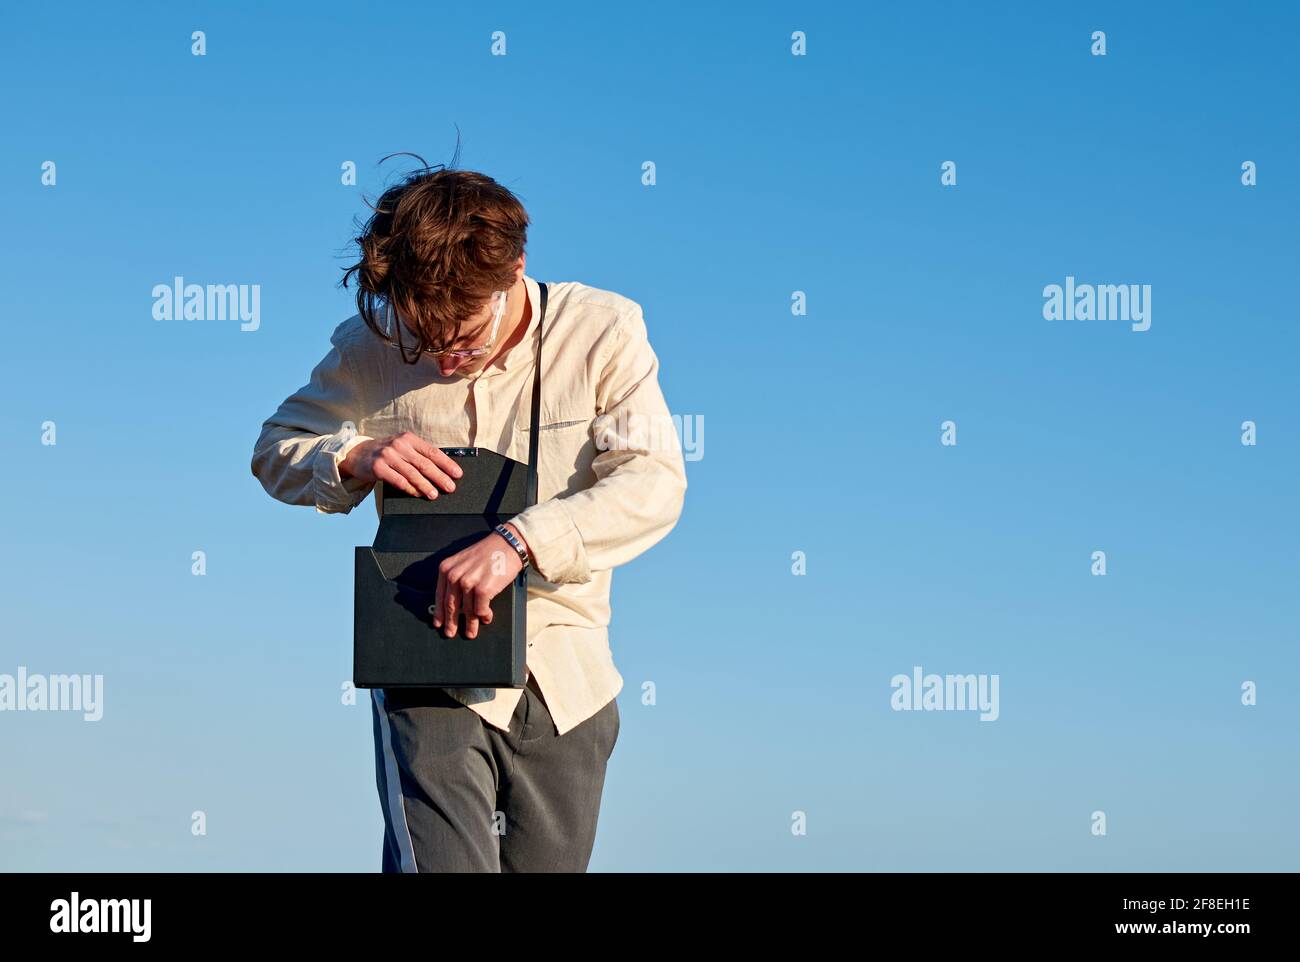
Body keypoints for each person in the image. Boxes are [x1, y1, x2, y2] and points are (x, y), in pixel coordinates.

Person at [250, 162, 687, 872]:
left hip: (569, 682)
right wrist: (354, 453)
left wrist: (521, 541)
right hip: (424, 663)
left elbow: (653, 481)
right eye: (427, 336)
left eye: (465, 332)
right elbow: (275, 449)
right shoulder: (372, 342)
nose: (446, 356)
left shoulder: (604, 328)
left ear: (517, 266)